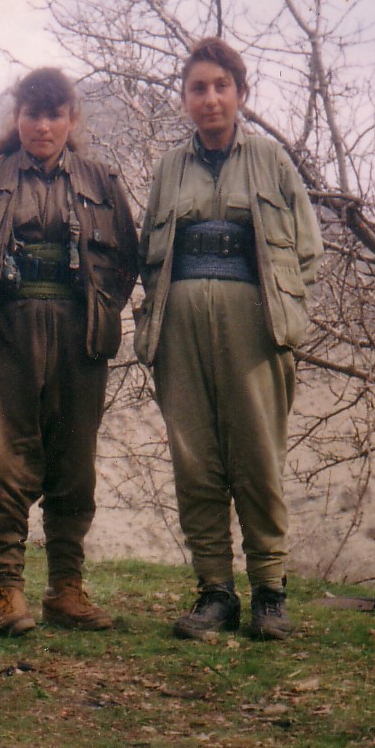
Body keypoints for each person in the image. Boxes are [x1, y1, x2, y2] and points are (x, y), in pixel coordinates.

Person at [134, 37, 324, 641]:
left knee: (257, 459)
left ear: (241, 93)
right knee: (195, 460)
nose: (210, 98)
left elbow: (308, 252)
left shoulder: (271, 160)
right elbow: (150, 255)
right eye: (198, 88)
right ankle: (215, 593)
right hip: (180, 332)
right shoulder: (169, 169)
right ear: (185, 98)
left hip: (255, 331)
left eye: (221, 86)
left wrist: (280, 314)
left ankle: (270, 591)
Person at [0, 68, 138, 636]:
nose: (43, 126)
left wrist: (98, 309)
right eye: (32, 114)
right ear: (18, 118)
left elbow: (127, 260)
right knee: (4, 464)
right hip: (8, 334)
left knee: (74, 464)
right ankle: (7, 590)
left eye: (54, 114)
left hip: (80, 336)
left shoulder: (102, 182)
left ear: (71, 119)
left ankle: (65, 587)